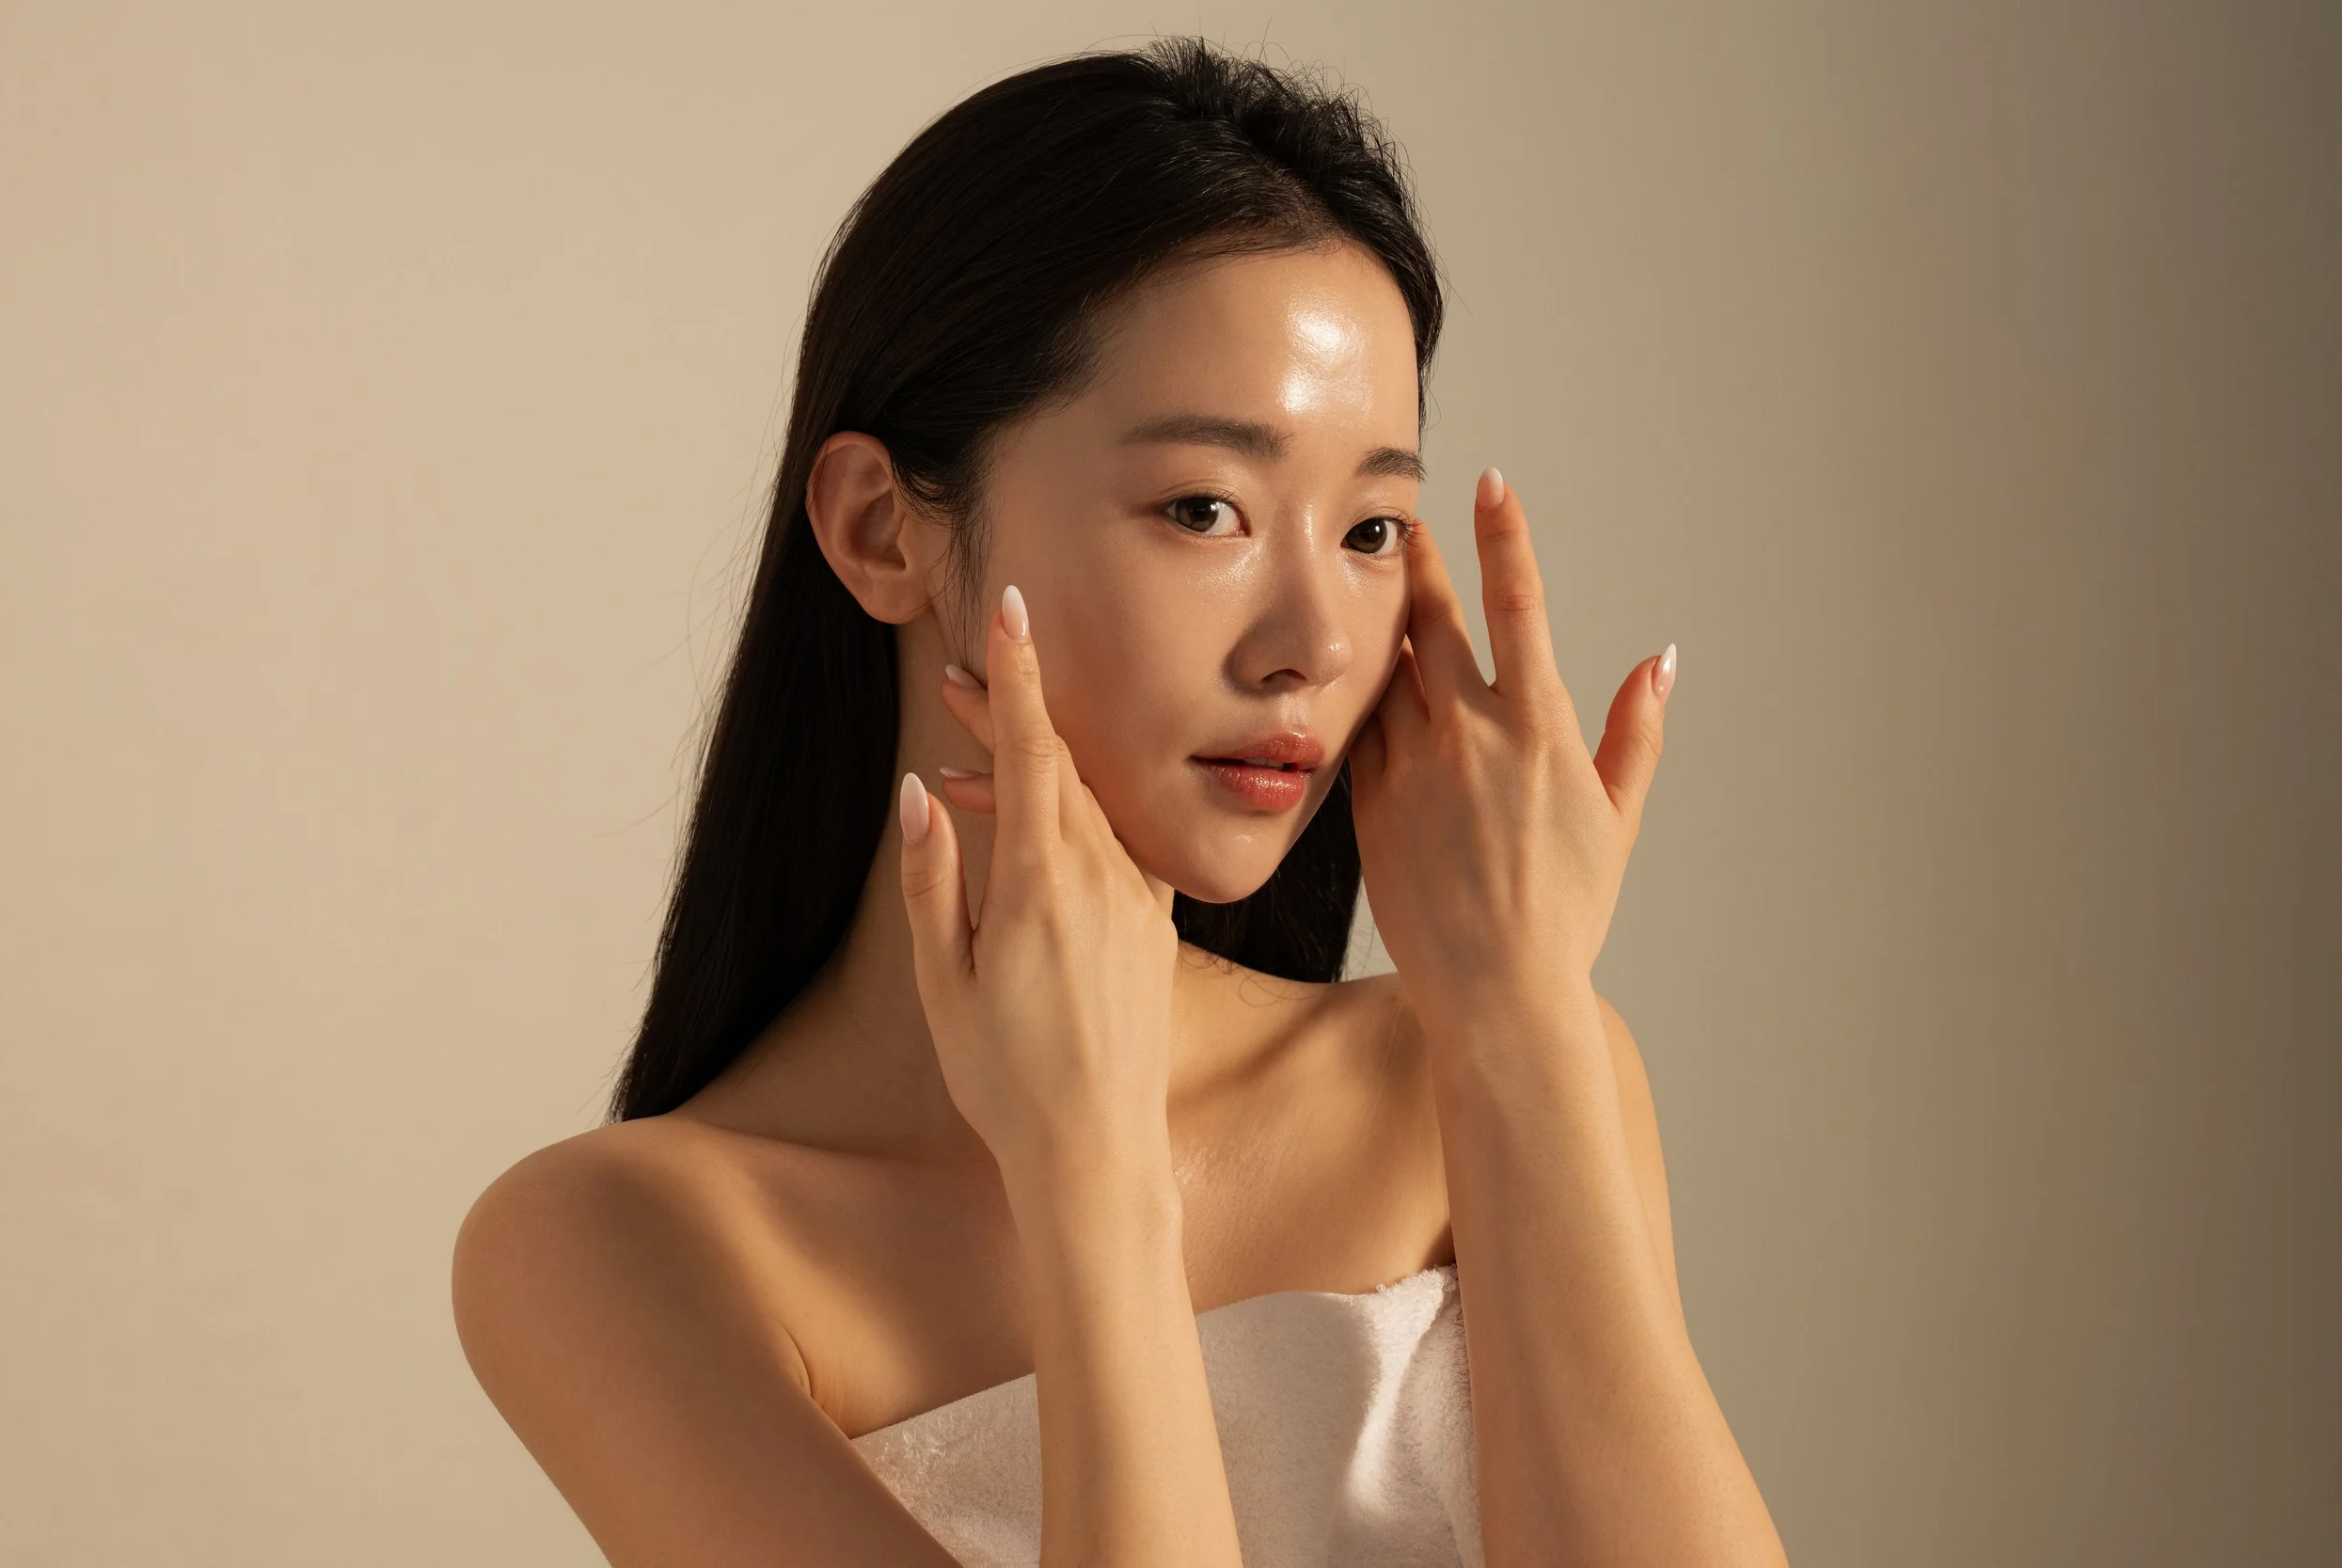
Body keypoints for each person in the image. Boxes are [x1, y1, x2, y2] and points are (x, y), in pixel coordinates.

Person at [451, 36, 1788, 1568]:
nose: (1312, 643)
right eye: (1203, 508)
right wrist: (1086, 1172)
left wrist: (1525, 1021)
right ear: (883, 528)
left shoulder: (1487, 1066)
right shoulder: (621, 1250)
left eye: (1370, 528)